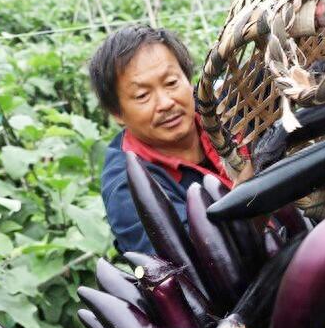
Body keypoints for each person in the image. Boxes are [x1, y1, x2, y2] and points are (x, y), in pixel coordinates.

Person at [90, 25, 248, 256]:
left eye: (172, 83)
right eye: (143, 95)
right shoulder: (127, 188)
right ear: (117, 113)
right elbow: (201, 261)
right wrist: (252, 192)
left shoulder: (226, 108)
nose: (165, 103)